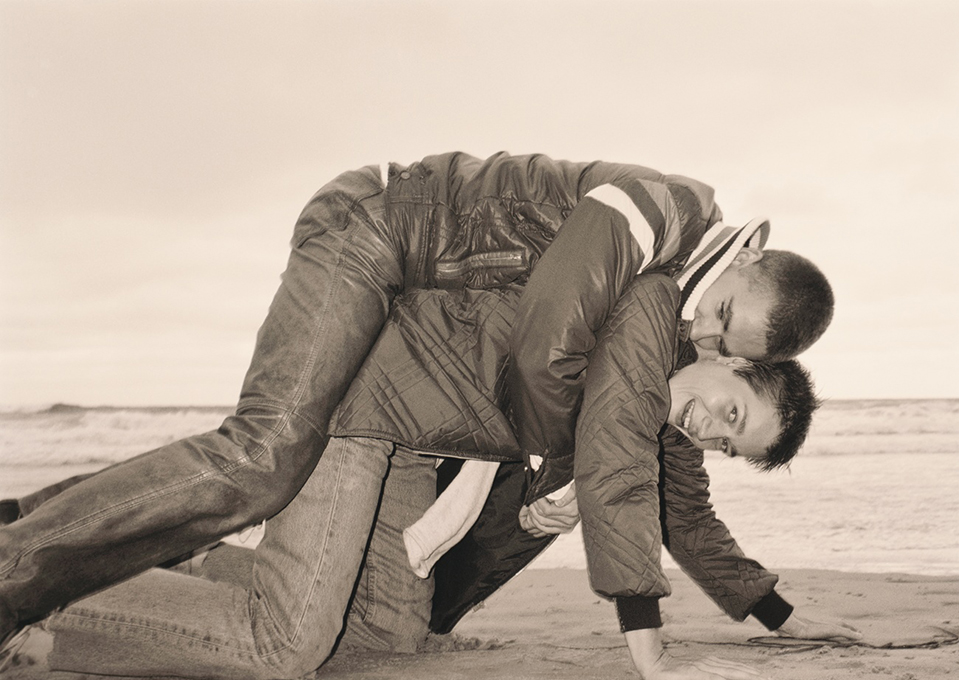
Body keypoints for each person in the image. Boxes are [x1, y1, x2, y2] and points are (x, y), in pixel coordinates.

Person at [0, 151, 833, 650]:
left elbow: (678, 507)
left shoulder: (671, 323)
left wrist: (776, 615)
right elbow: (545, 341)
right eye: (722, 319)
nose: (707, 333)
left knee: (275, 489)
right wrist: (555, 469)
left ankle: (38, 526)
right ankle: (15, 570)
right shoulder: (663, 212)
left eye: (724, 344)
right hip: (378, 231)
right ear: (748, 248)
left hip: (414, 320)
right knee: (264, 457)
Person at [6, 272, 848, 680]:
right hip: (370, 399)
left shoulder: (662, 429)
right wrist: (650, 654)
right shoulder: (641, 329)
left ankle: (67, 625)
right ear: (730, 359)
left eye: (729, 448)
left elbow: (688, 523)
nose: (710, 434)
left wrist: (781, 614)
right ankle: (40, 580)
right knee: (287, 642)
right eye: (731, 415)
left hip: (408, 454)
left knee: (381, 637)